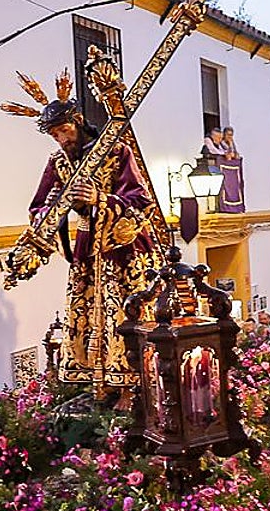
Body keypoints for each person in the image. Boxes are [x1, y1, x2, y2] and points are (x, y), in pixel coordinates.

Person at [11, 75, 163, 391]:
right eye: (54, 135)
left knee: (122, 312)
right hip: (84, 247)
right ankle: (99, 383)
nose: (61, 139)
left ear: (78, 121)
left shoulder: (115, 152)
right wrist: (50, 208)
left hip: (122, 248)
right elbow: (38, 208)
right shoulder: (58, 163)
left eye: (64, 131)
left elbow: (141, 201)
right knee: (87, 314)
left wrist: (101, 199)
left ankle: (134, 384)